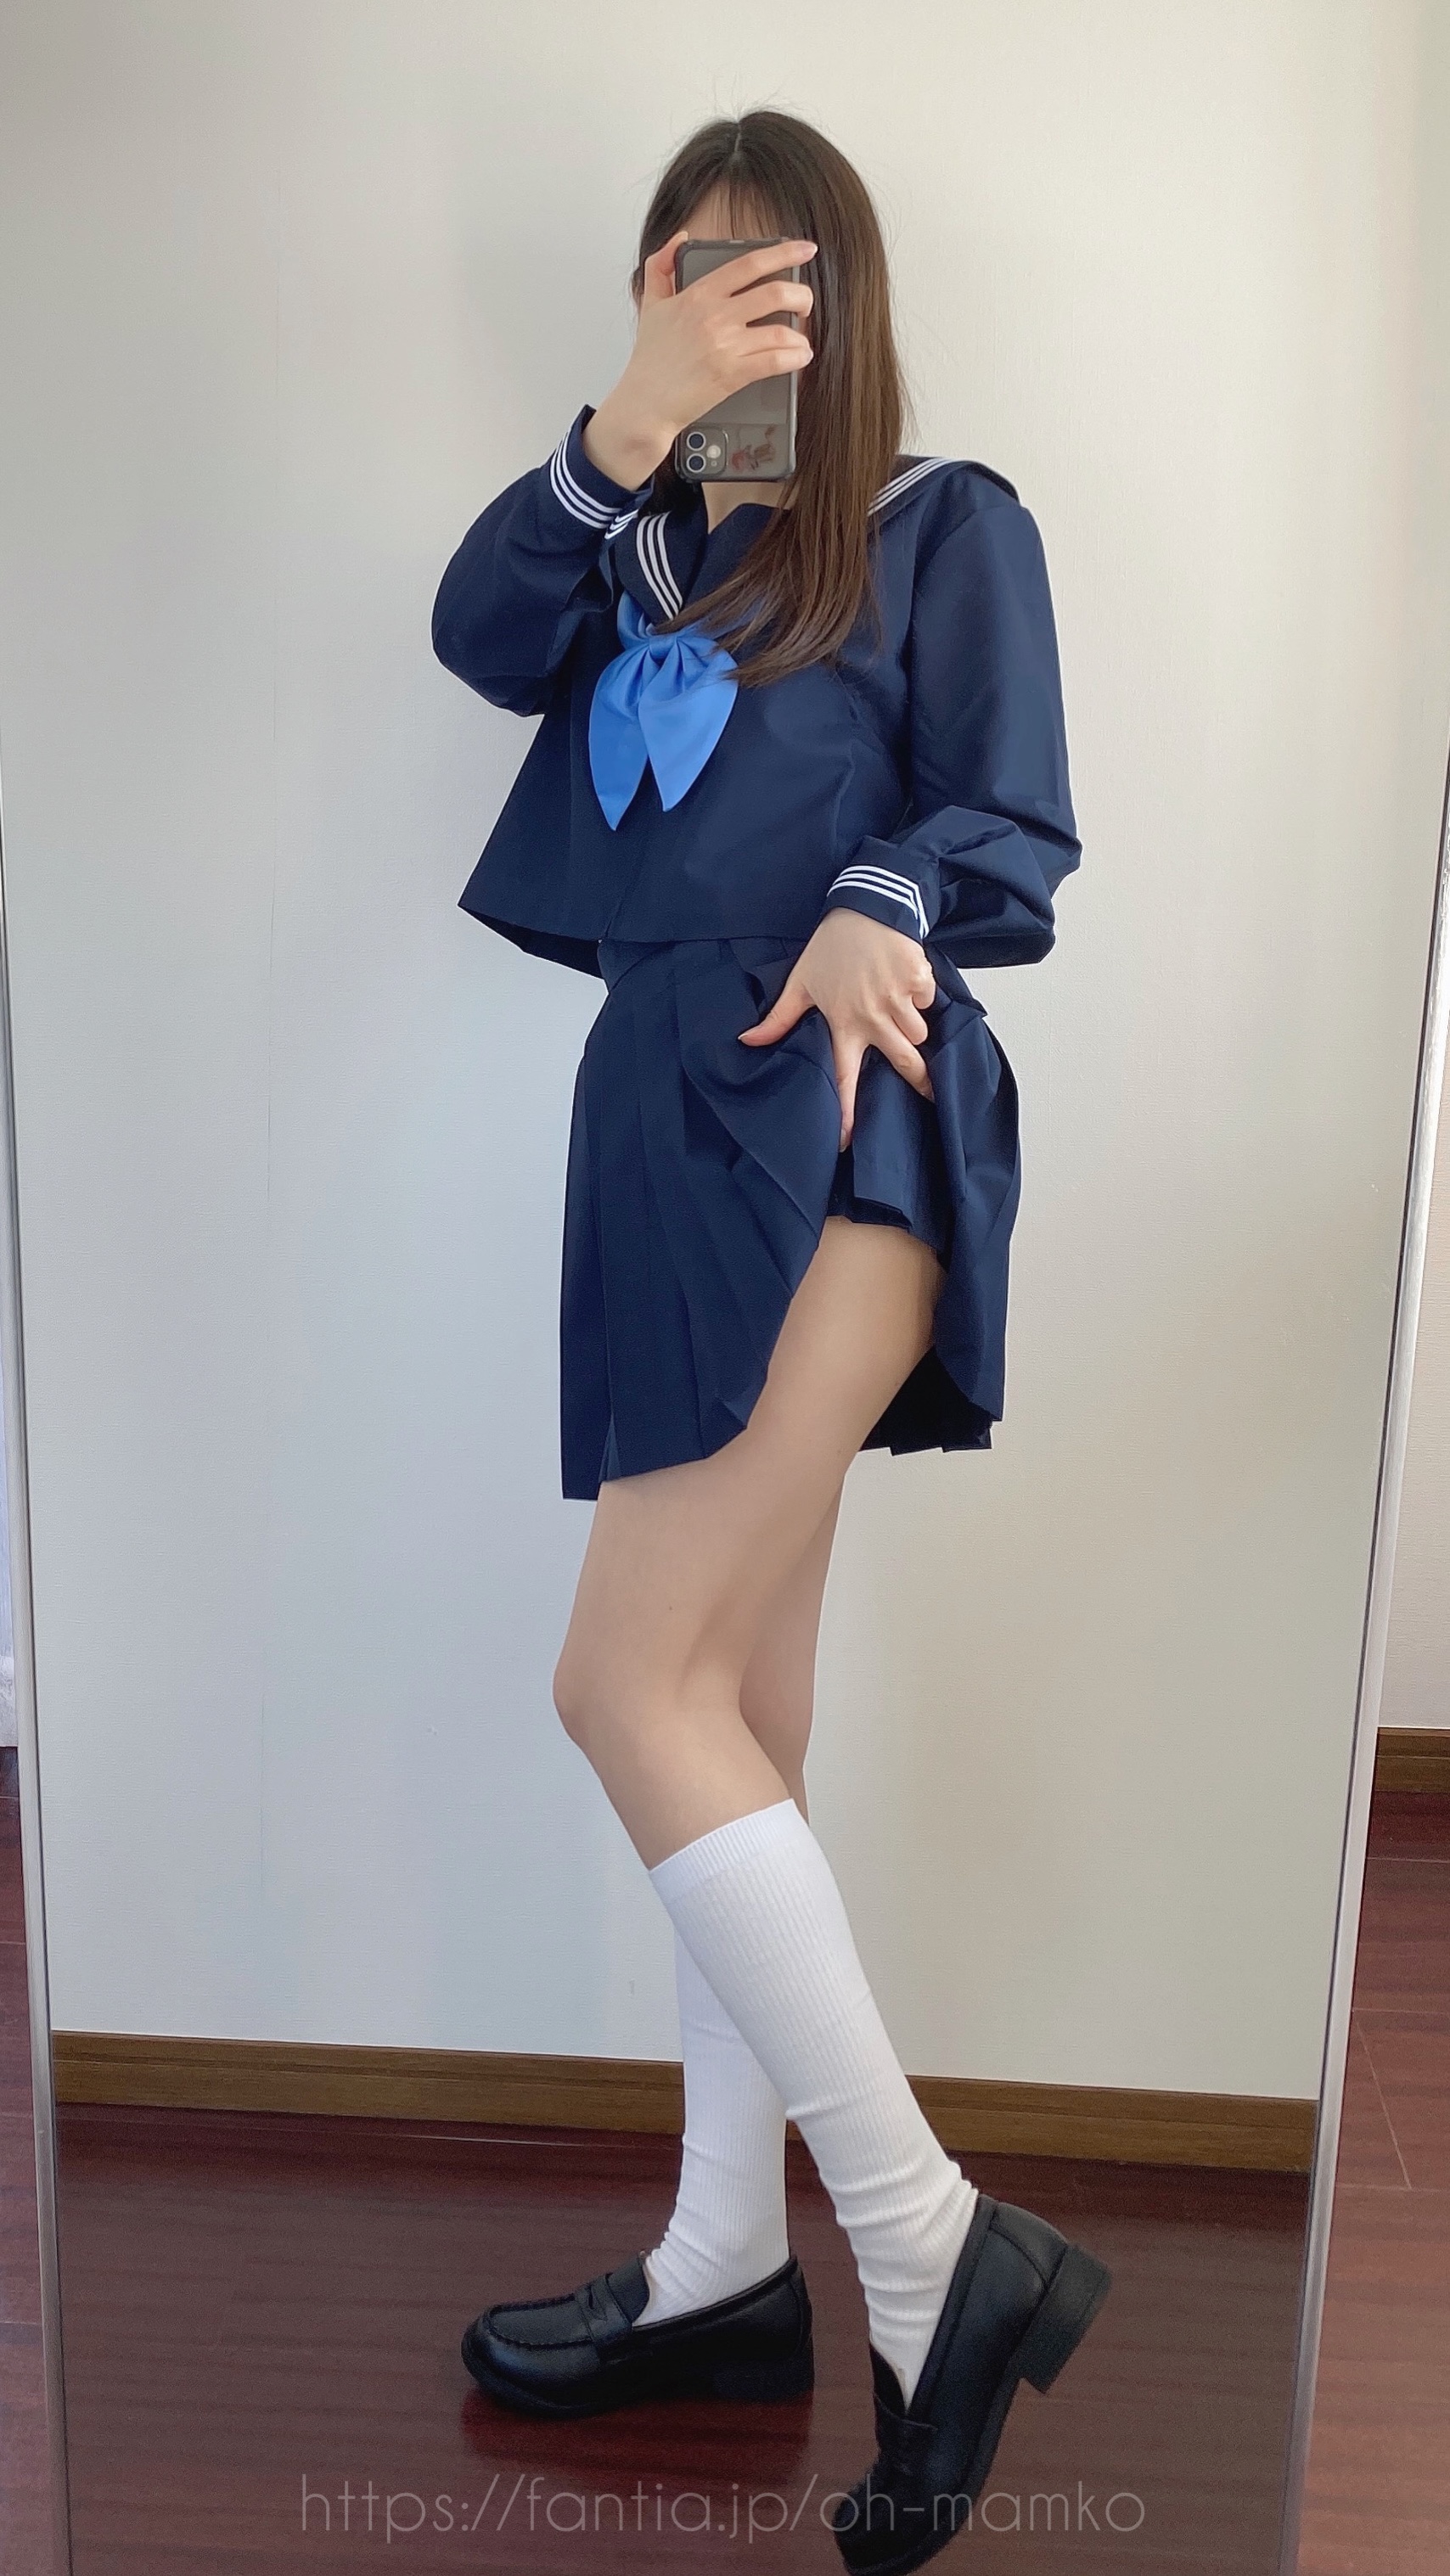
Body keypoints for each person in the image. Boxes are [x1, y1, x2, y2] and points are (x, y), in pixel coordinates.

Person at [432, 107, 1107, 2575]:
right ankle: (726, 2263)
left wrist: (873, 897)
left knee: (624, 1687)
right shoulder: (621, 557)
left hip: (830, 1105)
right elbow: (472, 636)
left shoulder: (937, 523)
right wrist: (629, 424)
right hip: (654, 1127)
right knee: (738, 1713)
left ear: (847, 301)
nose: (734, 307)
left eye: (777, 275)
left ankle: (928, 2243)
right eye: (689, 271)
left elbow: (1009, 815)